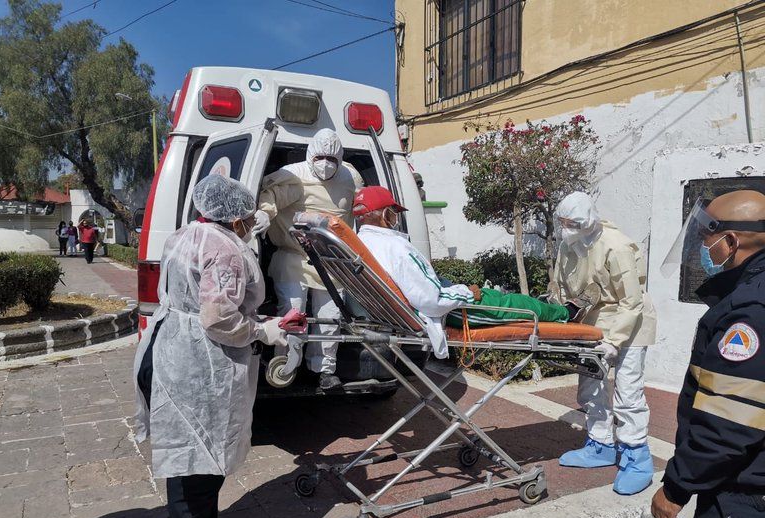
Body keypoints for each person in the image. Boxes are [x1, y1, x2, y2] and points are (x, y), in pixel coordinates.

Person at [133, 174, 287, 518]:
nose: (252, 221)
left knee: (187, 454)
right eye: (248, 215)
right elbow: (218, 317)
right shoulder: (228, 251)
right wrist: (260, 331)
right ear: (235, 215)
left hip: (171, 348)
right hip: (200, 360)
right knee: (199, 460)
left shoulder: (185, 235)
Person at [651, 190, 765, 518]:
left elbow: (729, 421)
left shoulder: (748, 313)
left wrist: (676, 488)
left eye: (706, 237)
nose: (703, 247)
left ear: (731, 241)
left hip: (742, 505)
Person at [352, 186, 585, 359]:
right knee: (514, 303)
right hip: (449, 310)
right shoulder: (396, 248)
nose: (395, 217)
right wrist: (466, 294)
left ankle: (551, 308)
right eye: (393, 211)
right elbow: (431, 300)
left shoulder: (362, 244)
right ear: (383, 214)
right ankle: (565, 313)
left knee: (505, 299)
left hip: (431, 300)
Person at [552, 191, 657, 495]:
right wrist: (559, 315)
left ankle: (637, 457)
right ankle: (600, 445)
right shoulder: (568, 244)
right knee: (591, 388)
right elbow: (561, 285)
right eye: (561, 222)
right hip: (593, 324)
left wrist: (615, 340)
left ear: (587, 220)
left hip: (631, 324)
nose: (565, 228)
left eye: (571, 223)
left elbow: (632, 302)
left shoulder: (616, 245)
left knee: (628, 392)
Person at [257, 128, 364, 390]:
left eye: (332, 159)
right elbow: (271, 195)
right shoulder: (295, 176)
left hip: (332, 260)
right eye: (320, 158)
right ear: (310, 155)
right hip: (294, 259)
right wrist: (265, 213)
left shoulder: (350, 178)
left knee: (330, 319)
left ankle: (324, 370)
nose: (326, 164)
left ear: (340, 158)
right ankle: (286, 365)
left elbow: (361, 207)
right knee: (293, 315)